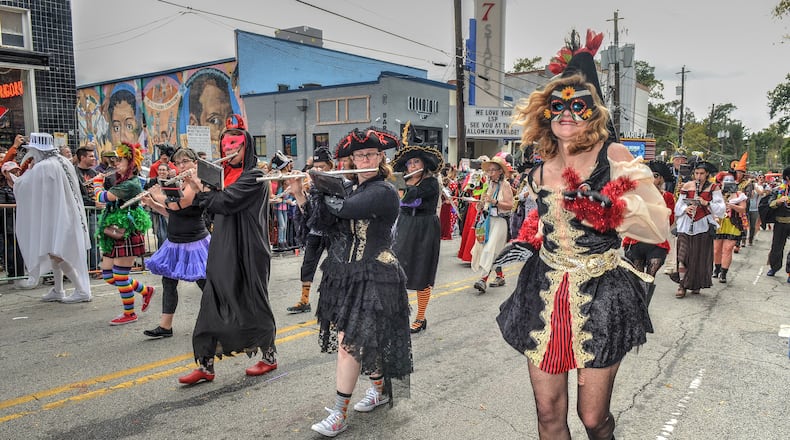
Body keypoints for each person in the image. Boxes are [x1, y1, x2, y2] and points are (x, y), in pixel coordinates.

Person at [496, 30, 670, 440]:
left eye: (579, 105)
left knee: (593, 418)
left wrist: (610, 209)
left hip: (602, 293)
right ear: (546, 113)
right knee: (548, 416)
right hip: (544, 291)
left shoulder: (615, 157)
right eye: (558, 106)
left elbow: (657, 225)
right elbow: (539, 222)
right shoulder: (539, 170)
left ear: (594, 112)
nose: (567, 113)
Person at [289, 127, 412, 437]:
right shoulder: (351, 187)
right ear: (352, 159)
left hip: (375, 275)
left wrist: (321, 183)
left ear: (381, 157)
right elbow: (321, 227)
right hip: (344, 274)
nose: (365, 158)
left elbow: (344, 209)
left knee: (349, 344)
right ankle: (381, 390)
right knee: (363, 341)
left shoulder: (383, 190)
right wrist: (301, 193)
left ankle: (339, 414)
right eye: (359, 155)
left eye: (370, 154)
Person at [177, 115, 278, 385]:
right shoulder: (221, 174)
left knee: (252, 300)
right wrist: (199, 186)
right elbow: (208, 207)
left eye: (235, 147)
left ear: (247, 148)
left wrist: (200, 188)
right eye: (226, 148)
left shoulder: (254, 176)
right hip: (223, 244)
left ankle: (269, 356)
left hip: (249, 246)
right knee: (212, 299)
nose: (229, 153)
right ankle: (206, 365)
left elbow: (226, 202)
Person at [13, 133, 93, 302]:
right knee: (53, 251)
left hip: (57, 215)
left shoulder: (44, 167)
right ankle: (58, 289)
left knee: (57, 253)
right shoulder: (62, 162)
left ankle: (81, 290)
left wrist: (13, 179)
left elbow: (25, 186)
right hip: (62, 214)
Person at [141, 148, 210, 338]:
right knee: (168, 282)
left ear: (195, 163)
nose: (181, 166)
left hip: (194, 242)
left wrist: (158, 194)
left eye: (185, 161)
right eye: (178, 163)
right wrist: (154, 205)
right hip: (175, 241)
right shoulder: (181, 182)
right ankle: (165, 326)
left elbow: (181, 204)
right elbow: (173, 213)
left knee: (206, 284)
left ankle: (223, 319)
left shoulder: (197, 183)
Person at [92, 142, 155, 323]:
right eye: (115, 161)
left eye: (120, 161)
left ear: (131, 164)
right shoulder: (122, 181)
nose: (115, 164)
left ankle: (130, 313)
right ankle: (145, 290)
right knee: (108, 275)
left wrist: (97, 184)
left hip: (126, 231)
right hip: (115, 231)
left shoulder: (131, 184)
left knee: (120, 275)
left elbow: (103, 198)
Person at [391, 130, 444, 334]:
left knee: (422, 272)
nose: (412, 166)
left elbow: (411, 198)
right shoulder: (401, 180)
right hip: (404, 225)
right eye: (410, 163)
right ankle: (398, 313)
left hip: (424, 229)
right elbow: (394, 198)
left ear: (424, 165)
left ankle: (420, 317)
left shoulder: (430, 182)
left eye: (416, 163)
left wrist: (398, 183)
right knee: (397, 271)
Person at [287, 146, 334, 314]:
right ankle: (304, 300)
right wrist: (298, 192)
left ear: (330, 166)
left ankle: (339, 300)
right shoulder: (312, 184)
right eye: (316, 166)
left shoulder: (336, 182)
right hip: (315, 232)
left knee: (336, 266)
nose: (319, 169)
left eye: (323, 166)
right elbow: (307, 212)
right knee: (307, 265)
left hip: (332, 233)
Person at [670, 160, 725, 297]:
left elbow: (721, 210)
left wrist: (707, 203)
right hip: (685, 225)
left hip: (703, 226)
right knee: (683, 255)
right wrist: (685, 208)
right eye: (696, 173)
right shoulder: (687, 186)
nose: (698, 176)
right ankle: (682, 285)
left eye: (701, 173)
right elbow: (677, 207)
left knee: (699, 257)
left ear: (707, 174)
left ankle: (696, 283)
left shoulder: (714, 188)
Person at [622, 160, 676, 286]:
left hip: (656, 242)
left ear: (662, 179)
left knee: (649, 280)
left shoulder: (667, 197)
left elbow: (670, 220)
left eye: (655, 176)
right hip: (636, 241)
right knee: (637, 280)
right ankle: (639, 305)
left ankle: (644, 304)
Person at [470, 154, 514, 293]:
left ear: (500, 171)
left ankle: (483, 280)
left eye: (493, 170)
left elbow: (510, 205)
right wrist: (481, 204)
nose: (490, 173)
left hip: (500, 221)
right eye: (488, 170)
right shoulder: (489, 184)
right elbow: (485, 203)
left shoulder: (505, 185)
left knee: (490, 249)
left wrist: (494, 202)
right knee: (492, 250)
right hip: (488, 220)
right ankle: (500, 276)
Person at [713, 174, 747, 283]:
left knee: (727, 249)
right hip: (719, 222)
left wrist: (732, 205)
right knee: (716, 249)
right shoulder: (717, 193)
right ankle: (717, 268)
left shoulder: (739, 194)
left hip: (733, 224)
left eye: (730, 181)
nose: (728, 183)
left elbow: (742, 209)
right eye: (726, 181)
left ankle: (723, 273)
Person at [74, 145, 100, 273]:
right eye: (90, 156)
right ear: (82, 157)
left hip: (94, 212)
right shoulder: (74, 173)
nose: (94, 158)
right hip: (82, 212)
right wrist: (93, 203)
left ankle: (94, 267)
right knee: (84, 241)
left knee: (94, 239)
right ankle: (87, 268)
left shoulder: (94, 173)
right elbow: (76, 195)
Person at [456, 158, 487, 262]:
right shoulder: (475, 175)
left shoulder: (485, 175)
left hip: (479, 201)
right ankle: (472, 255)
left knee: (478, 227)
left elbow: (466, 189)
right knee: (475, 227)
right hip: (476, 202)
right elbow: (467, 189)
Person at [765, 166, 790, 281]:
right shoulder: (778, 189)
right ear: (787, 177)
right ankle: (774, 267)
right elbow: (770, 204)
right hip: (780, 222)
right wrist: (779, 201)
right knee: (777, 247)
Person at [0, 162, 24, 278]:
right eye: (12, 171)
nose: (16, 173)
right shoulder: (3, 190)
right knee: (11, 251)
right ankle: (13, 274)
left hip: (22, 223)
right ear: (5, 174)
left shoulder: (23, 187)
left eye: (17, 171)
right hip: (9, 225)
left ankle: (21, 274)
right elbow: (3, 206)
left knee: (21, 250)